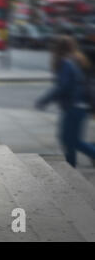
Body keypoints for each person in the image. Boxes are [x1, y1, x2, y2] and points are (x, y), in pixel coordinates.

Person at [36, 35, 95, 168]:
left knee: (71, 140)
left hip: (74, 107)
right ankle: (71, 166)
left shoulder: (66, 63)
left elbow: (63, 87)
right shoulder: (76, 60)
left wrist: (44, 100)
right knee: (69, 140)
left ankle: (72, 164)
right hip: (80, 107)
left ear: (57, 48)